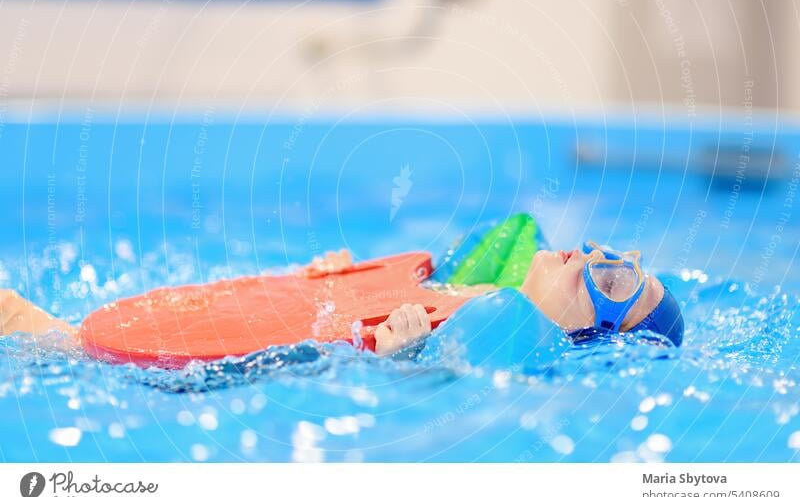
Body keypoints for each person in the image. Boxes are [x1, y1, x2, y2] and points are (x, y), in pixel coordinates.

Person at [0, 214, 684, 363]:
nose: (592, 253)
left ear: (598, 338)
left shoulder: (492, 349)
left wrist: (399, 357)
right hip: (246, 321)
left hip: (211, 372)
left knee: (43, 336)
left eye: (615, 277)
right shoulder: (460, 292)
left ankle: (39, 331)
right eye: (607, 251)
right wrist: (340, 281)